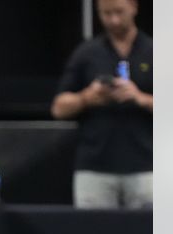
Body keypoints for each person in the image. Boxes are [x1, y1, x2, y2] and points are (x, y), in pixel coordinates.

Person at [51, 0, 153, 209]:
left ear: (133, 7)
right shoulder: (87, 53)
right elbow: (58, 108)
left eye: (119, 12)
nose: (113, 20)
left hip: (146, 166)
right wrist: (87, 98)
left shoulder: (154, 51)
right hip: (95, 168)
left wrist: (139, 97)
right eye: (106, 14)